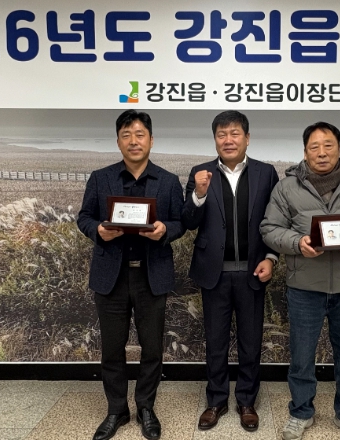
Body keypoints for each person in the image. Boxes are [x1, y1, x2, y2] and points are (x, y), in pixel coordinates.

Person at [260, 122, 340, 440]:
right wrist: (297, 243)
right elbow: (269, 229)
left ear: (339, 148)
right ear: (305, 152)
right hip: (304, 287)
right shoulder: (287, 188)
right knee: (302, 356)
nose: (322, 152)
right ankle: (300, 412)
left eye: (328, 145)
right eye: (314, 147)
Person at [77, 110, 186, 440]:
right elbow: (84, 217)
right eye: (127, 135)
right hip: (111, 276)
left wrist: (166, 230)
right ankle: (116, 410)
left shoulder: (168, 181)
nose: (134, 141)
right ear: (118, 141)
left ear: (151, 140)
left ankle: (146, 407)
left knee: (152, 347)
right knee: (112, 348)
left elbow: (180, 222)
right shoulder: (101, 178)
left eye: (140, 135)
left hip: (151, 276)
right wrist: (98, 230)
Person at [182, 110, 280, 432]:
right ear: (215, 140)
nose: (228, 140)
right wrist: (198, 195)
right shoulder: (200, 173)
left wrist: (271, 257)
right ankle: (216, 400)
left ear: (247, 138)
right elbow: (188, 221)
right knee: (216, 341)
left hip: (253, 272)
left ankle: (247, 401)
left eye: (235, 133)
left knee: (251, 342)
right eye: (221, 134)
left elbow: (275, 221)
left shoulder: (266, 173)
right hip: (215, 273)